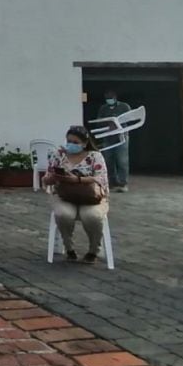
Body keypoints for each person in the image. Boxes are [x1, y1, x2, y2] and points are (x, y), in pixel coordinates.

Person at [43, 125, 110, 264]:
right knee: (63, 215)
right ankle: (69, 249)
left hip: (90, 197)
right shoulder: (59, 155)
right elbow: (47, 178)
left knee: (92, 216)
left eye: (75, 142)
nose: (71, 145)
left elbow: (101, 178)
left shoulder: (95, 156)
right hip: (65, 196)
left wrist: (78, 179)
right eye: (69, 141)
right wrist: (53, 177)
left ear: (85, 143)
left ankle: (93, 250)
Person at [95, 89, 131, 192]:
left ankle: (123, 183)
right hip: (108, 137)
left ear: (115, 97)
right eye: (107, 98)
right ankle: (112, 182)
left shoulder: (124, 106)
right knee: (108, 160)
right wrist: (108, 123)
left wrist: (117, 122)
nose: (109, 100)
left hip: (121, 136)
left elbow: (129, 119)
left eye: (110, 98)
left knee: (122, 160)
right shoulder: (103, 108)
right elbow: (99, 121)